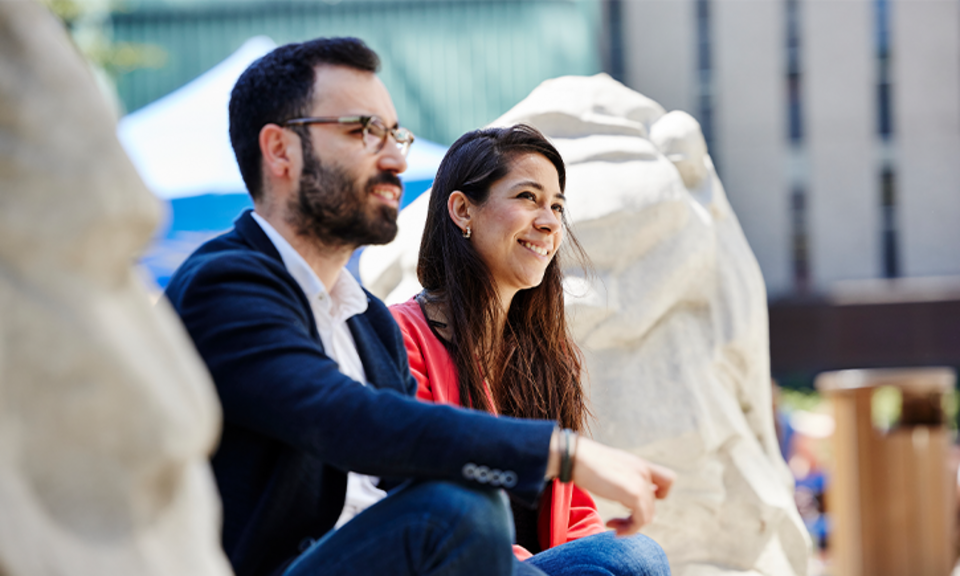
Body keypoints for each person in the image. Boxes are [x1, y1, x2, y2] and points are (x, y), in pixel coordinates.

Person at [164, 36, 674, 576]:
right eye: (363, 131)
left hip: (405, 557)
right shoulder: (226, 283)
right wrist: (559, 452)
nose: (396, 157)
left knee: (631, 558)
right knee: (461, 506)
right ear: (281, 150)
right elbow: (343, 419)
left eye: (395, 134)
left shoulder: (368, 324)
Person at [390, 124, 673, 574]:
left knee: (629, 553)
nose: (550, 222)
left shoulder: (544, 356)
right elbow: (427, 488)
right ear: (463, 210)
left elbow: (573, 514)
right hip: (456, 560)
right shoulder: (401, 336)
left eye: (557, 205)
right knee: (637, 558)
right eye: (528, 197)